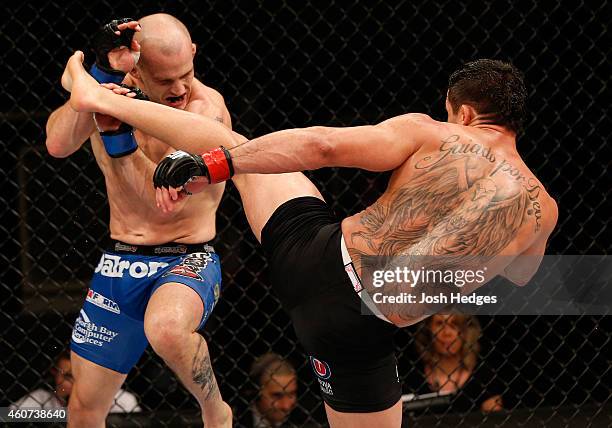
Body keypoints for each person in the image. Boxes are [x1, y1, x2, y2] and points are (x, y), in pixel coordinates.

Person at [64, 54, 558, 427]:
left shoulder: (430, 132)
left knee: (234, 148)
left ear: (465, 113)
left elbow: (322, 145)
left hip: (315, 255)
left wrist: (214, 166)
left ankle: (101, 98)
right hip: (360, 332)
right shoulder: (544, 209)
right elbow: (521, 275)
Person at [45, 14, 232, 427]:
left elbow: (157, 203)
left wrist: (117, 136)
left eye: (186, 74)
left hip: (186, 259)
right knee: (84, 410)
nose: (180, 88)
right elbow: (57, 144)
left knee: (165, 329)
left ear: (195, 55)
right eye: (165, 81)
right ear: (135, 65)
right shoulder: (113, 92)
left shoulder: (207, 110)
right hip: (120, 261)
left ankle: (215, 409)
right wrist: (96, 80)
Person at [405, 314, 503, 413]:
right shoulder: (412, 377)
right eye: (439, 324)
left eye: (454, 324)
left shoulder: (485, 376)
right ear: (428, 330)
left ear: (466, 330)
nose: (447, 332)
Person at [11, 351, 140, 413]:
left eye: (73, 375)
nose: (66, 381)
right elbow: (8, 415)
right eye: (63, 375)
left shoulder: (121, 399)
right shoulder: (41, 398)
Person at [237, 353, 298, 427]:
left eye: (291, 394)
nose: (286, 406)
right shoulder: (233, 419)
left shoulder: (305, 420)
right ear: (256, 392)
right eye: (277, 396)